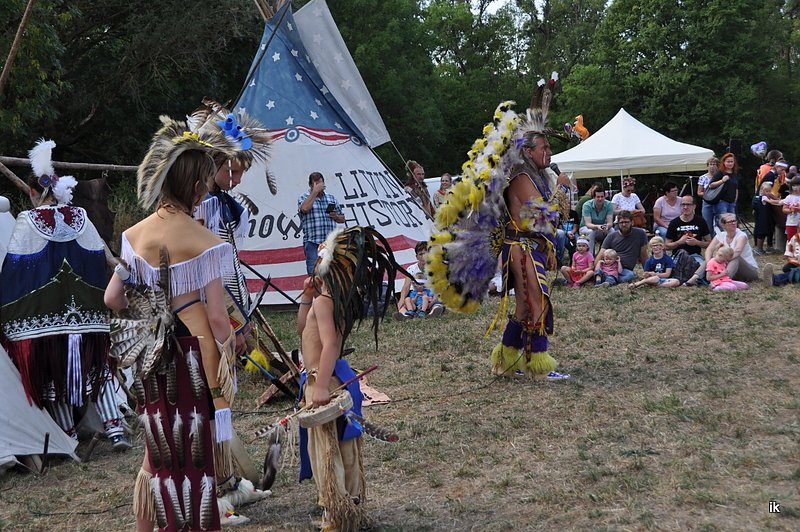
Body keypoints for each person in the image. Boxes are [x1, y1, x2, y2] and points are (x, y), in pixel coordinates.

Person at [104, 117, 253, 530]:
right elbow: (219, 319)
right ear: (193, 185)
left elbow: (112, 298)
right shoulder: (207, 242)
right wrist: (228, 364)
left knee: (156, 451)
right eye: (204, 181)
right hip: (195, 356)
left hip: (151, 352)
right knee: (194, 450)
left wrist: (149, 314)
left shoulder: (134, 236)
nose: (207, 187)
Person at [0, 139, 129, 450]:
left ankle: (69, 435)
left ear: (33, 192)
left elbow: (14, 271)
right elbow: (106, 259)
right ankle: (115, 429)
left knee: (52, 373)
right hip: (88, 315)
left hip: (44, 322)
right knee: (98, 369)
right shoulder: (81, 217)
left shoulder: (27, 221)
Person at [296, 226, 403, 532]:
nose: (313, 264)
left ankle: (336, 514)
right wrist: (306, 297)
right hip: (333, 377)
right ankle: (348, 509)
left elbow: (330, 344)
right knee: (343, 445)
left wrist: (318, 386)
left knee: (329, 450)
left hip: (325, 379)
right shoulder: (326, 298)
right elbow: (303, 329)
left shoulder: (325, 301)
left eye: (317, 259)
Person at [298, 172, 346, 275]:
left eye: (321, 182)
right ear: (311, 185)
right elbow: (305, 208)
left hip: (330, 243)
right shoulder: (304, 198)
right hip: (313, 243)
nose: (320, 185)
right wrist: (314, 192)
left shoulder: (331, 198)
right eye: (316, 183)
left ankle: (330, 291)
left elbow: (342, 218)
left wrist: (336, 217)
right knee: (315, 274)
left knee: (334, 272)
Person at [702, 213, 760, 283]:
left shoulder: (741, 235)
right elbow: (709, 249)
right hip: (731, 269)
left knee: (735, 258)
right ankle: (695, 278)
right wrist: (710, 263)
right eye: (730, 222)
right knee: (712, 259)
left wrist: (723, 259)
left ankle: (723, 281)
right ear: (723, 225)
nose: (733, 223)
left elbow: (738, 251)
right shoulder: (721, 235)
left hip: (749, 271)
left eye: (734, 221)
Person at [395, 241, 444, 319]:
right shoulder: (412, 269)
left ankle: (433, 312)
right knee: (406, 303)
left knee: (437, 304)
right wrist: (401, 299)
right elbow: (406, 286)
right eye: (421, 254)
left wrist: (434, 299)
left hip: (431, 295)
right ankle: (404, 315)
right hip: (417, 296)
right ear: (417, 256)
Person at [596, 210, 648, 284]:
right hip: (610, 267)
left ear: (632, 222)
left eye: (626, 222)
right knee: (598, 271)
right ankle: (608, 278)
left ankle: (610, 279)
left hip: (625, 270)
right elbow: (600, 255)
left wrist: (647, 272)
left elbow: (644, 255)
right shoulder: (611, 236)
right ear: (618, 224)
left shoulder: (641, 234)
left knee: (631, 275)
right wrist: (595, 269)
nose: (624, 224)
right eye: (621, 222)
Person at [705, 152, 739, 233]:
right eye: (728, 161)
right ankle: (721, 241)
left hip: (732, 202)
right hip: (722, 202)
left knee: (732, 222)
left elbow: (736, 188)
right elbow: (711, 185)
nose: (730, 163)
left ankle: (730, 241)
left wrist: (735, 200)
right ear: (724, 162)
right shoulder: (720, 173)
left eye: (732, 161)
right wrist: (722, 180)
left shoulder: (734, 174)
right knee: (722, 223)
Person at [579, 186, 613, 253]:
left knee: (612, 231)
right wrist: (597, 226)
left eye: (602, 196)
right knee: (591, 232)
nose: (600, 199)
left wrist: (607, 226)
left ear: (604, 196)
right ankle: (590, 256)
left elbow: (610, 222)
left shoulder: (609, 204)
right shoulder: (587, 205)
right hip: (586, 228)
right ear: (594, 197)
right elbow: (588, 224)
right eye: (598, 197)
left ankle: (608, 255)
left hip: (601, 228)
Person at [752, 180, 782, 255]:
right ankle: (759, 248)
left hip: (768, 219)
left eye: (769, 191)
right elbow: (772, 202)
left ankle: (769, 246)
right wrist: (779, 201)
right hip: (762, 219)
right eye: (766, 191)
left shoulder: (767, 196)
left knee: (770, 231)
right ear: (762, 190)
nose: (768, 192)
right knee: (761, 233)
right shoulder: (762, 198)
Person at [697, 156, 719, 236]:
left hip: (718, 202)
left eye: (714, 164)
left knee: (719, 223)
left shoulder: (720, 176)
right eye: (710, 164)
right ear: (707, 166)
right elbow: (699, 192)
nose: (712, 166)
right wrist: (709, 195)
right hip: (707, 203)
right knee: (707, 224)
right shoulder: (702, 177)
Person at [781, 176, 800, 241]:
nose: (795, 187)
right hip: (791, 222)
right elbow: (784, 209)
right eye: (794, 185)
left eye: (797, 185)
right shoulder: (789, 197)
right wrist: (790, 210)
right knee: (791, 240)